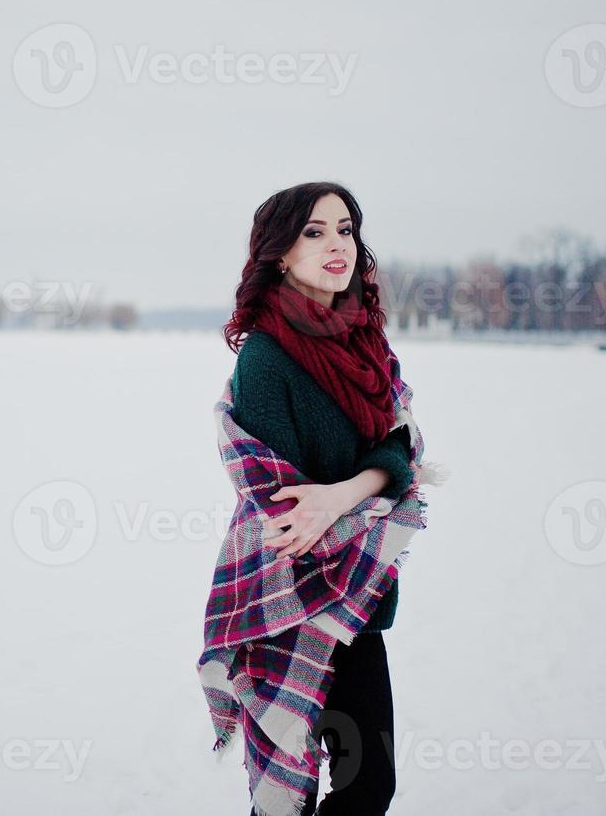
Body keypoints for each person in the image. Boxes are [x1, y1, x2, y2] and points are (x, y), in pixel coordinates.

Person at [223, 181, 417, 816]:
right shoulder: (266, 359)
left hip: (359, 602)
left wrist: (345, 493)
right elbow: (286, 507)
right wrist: (352, 495)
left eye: (345, 228)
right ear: (279, 253)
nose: (338, 244)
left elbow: (398, 448)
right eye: (315, 231)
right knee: (290, 798)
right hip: (296, 600)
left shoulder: (365, 340)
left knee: (369, 785)